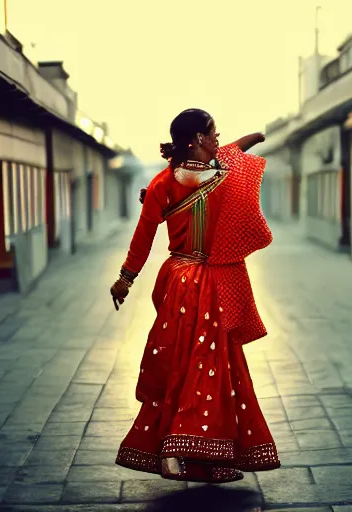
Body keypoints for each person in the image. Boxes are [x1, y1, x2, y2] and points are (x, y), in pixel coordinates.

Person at [110, 108, 280, 484]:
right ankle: (175, 449)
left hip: (178, 279)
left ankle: (206, 456)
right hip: (206, 282)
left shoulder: (162, 184)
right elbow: (233, 153)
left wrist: (126, 279)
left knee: (182, 365)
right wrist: (253, 138)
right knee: (210, 365)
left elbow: (143, 238)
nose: (219, 138)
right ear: (199, 139)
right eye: (213, 133)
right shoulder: (222, 173)